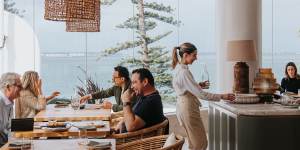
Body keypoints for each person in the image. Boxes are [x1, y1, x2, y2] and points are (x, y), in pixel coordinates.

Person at [172, 42, 235, 150]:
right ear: (186, 55)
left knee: (194, 143)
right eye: (194, 55)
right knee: (200, 143)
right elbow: (202, 94)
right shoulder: (184, 72)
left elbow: (183, 87)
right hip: (188, 108)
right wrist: (222, 96)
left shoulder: (178, 68)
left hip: (183, 107)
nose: (196, 58)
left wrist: (197, 85)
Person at [115, 68, 166, 132]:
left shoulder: (150, 102)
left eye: (134, 82)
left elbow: (130, 127)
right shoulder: (147, 97)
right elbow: (132, 114)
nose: (131, 87)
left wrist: (126, 102)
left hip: (130, 141)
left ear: (145, 82)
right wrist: (122, 121)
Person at [0, 72, 22, 147]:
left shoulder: (9, 102)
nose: (21, 88)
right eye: (19, 86)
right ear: (8, 87)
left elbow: (9, 127)